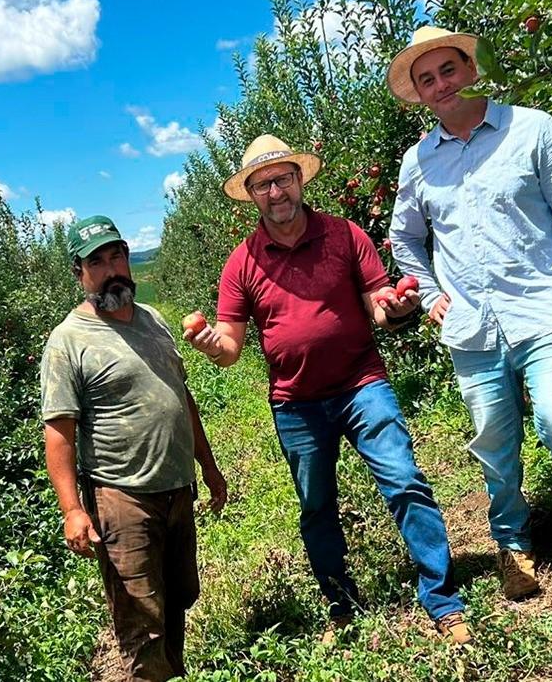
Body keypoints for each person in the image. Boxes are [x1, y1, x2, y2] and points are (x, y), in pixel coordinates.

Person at [184, 135, 471, 644]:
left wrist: (395, 308)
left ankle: (443, 601)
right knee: (317, 504)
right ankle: (342, 602)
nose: (276, 191)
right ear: (251, 195)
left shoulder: (344, 236)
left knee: (405, 480)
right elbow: (230, 347)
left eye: (283, 178)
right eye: (263, 184)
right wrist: (210, 343)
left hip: (362, 383)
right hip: (296, 403)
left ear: (300, 180)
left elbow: (377, 306)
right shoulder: (242, 263)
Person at [385, 26, 552, 602]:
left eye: (447, 70)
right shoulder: (417, 163)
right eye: (426, 79)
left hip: (544, 309)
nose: (440, 84)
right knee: (494, 440)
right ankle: (512, 542)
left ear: (470, 70)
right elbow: (405, 242)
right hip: (471, 326)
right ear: (419, 94)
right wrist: (427, 294)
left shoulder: (532, 129)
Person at [41, 214, 228, 682]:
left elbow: (182, 400)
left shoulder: (154, 321)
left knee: (176, 601)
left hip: (176, 488)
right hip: (121, 496)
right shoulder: (69, 341)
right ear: (79, 272)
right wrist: (72, 510)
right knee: (140, 623)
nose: (111, 269)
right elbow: (59, 430)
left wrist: (208, 467)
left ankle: (174, 672)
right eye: (97, 262)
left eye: (117, 256)